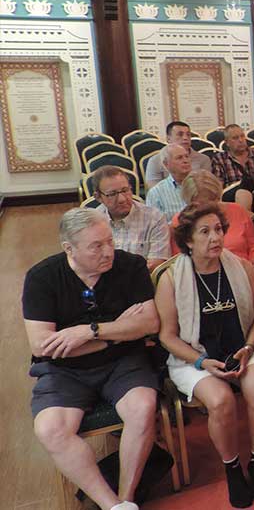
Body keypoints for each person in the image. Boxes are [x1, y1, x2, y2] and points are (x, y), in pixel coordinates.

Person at [22, 209, 161, 510]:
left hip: (124, 362)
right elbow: (43, 346)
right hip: (64, 372)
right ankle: (113, 506)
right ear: (69, 249)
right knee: (50, 430)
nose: (108, 251)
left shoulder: (130, 266)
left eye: (109, 241)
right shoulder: (42, 277)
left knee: (143, 407)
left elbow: (149, 324)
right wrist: (118, 331)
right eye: (96, 246)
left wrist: (89, 332)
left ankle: (127, 497)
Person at [155, 202, 254, 508]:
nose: (215, 238)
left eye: (219, 229)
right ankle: (233, 469)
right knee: (221, 400)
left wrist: (249, 347)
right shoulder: (172, 278)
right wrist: (201, 362)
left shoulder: (241, 266)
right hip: (194, 354)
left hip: (244, 345)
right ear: (187, 240)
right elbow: (167, 336)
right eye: (205, 232)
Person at [169, 171, 254, 277]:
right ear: (189, 202)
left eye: (213, 199)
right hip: (205, 279)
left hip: (247, 273)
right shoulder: (181, 221)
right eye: (202, 203)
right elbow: (181, 260)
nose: (210, 205)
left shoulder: (237, 210)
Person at [92, 165, 169, 272]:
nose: (122, 199)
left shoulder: (154, 218)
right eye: (112, 194)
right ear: (98, 197)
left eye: (125, 190)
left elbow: (156, 263)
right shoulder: (92, 222)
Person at [145, 120, 211, 189]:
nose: (185, 138)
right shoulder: (155, 160)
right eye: (180, 134)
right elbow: (154, 189)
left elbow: (206, 187)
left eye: (188, 135)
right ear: (168, 139)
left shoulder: (204, 159)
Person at [145, 143, 192, 218]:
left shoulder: (201, 185)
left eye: (187, 156)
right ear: (166, 164)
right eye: (179, 158)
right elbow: (153, 226)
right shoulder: (156, 193)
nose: (186, 160)